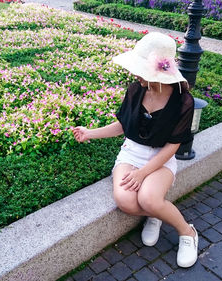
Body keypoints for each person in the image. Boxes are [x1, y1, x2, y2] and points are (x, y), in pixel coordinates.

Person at [71, 32, 198, 268]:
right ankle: (155, 213)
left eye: (141, 70)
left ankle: (187, 232)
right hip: (131, 153)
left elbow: (173, 145)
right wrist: (90, 132)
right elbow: (122, 125)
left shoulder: (183, 101)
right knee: (126, 201)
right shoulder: (135, 90)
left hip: (161, 158)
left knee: (149, 197)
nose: (135, 74)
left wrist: (143, 173)